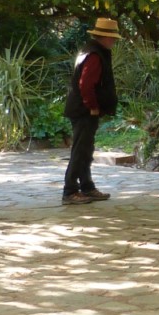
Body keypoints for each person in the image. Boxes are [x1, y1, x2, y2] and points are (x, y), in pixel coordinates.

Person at [61, 16, 121, 206]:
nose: (114, 40)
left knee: (86, 150)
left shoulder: (91, 51)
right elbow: (86, 85)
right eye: (112, 37)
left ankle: (87, 186)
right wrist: (93, 106)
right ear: (104, 37)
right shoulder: (94, 55)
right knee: (80, 150)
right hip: (84, 110)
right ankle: (70, 190)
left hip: (83, 109)